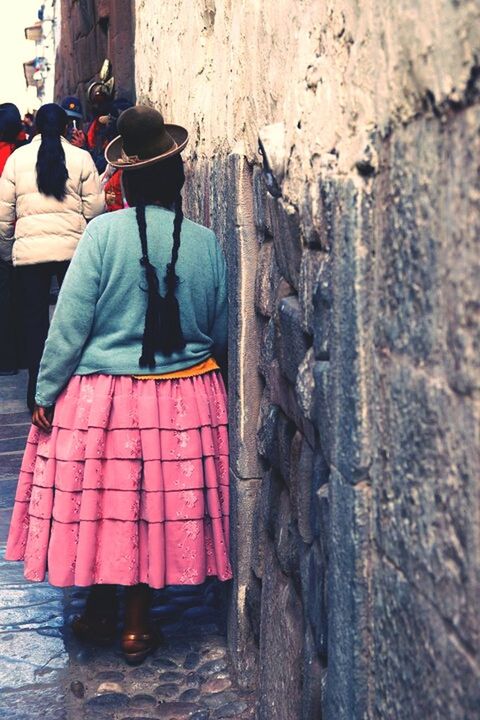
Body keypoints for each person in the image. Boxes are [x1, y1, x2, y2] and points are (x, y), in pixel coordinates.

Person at [4, 105, 232, 665]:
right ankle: (135, 623)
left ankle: (106, 612)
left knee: (109, 504)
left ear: (125, 182)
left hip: (104, 398)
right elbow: (218, 327)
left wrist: (46, 391)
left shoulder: (102, 235)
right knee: (148, 506)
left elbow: (70, 324)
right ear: (177, 179)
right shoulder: (206, 244)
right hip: (183, 400)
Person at [0, 102, 104, 410]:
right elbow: (94, 211)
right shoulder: (81, 157)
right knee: (75, 321)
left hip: (30, 254)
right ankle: (74, 391)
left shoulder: (17, 159)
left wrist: (8, 251)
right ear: (64, 128)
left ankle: (36, 392)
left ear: (34, 128)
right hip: (72, 252)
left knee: (34, 325)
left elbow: (4, 215)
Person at [0, 103, 28, 375]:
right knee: (19, 298)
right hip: (17, 233)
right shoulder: (22, 155)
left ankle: (6, 359)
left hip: (5, 232)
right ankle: (19, 357)